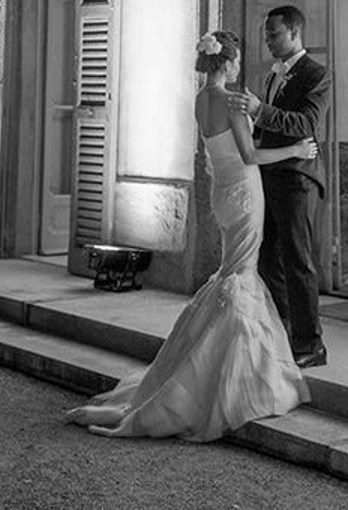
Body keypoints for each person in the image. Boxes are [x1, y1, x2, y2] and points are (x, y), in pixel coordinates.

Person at [65, 30, 316, 441]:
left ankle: (217, 365)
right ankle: (231, 379)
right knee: (240, 278)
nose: (238, 67)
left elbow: (229, 146)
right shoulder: (231, 101)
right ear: (228, 63)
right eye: (237, 61)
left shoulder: (202, 99)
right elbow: (251, 154)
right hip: (245, 192)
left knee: (232, 274)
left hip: (223, 193)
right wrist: (296, 150)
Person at [227, 6, 332, 369]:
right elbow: (267, 128)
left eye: (273, 34)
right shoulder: (273, 73)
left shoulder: (317, 74)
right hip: (269, 175)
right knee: (269, 258)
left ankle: (311, 343)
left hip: (298, 178)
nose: (267, 41)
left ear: (294, 33)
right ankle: (282, 332)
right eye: (266, 34)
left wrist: (260, 110)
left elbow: (306, 123)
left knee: (297, 260)